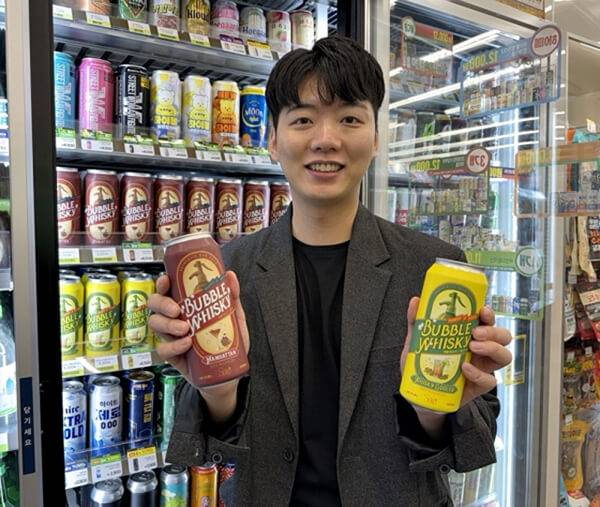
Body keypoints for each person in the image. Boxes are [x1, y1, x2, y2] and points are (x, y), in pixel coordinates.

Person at [149, 35, 512, 506]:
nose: (326, 139)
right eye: (303, 119)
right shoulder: (228, 271)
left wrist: (434, 407)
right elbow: (207, 443)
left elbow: (476, 435)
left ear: (375, 138)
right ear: (273, 139)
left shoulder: (433, 268)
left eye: (349, 119)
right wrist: (216, 391)